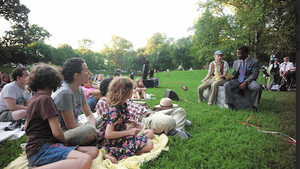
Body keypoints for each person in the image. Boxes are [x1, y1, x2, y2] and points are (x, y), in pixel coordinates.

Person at [24, 63, 99, 168]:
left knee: (93, 150)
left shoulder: (34, 98)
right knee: (85, 160)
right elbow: (57, 132)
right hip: (41, 150)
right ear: (53, 81)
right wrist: (65, 144)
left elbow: (25, 127)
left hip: (43, 147)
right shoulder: (46, 100)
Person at [96, 78, 191, 139]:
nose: (133, 91)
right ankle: (175, 127)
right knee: (169, 121)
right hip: (143, 119)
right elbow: (106, 123)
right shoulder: (104, 102)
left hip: (150, 112)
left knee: (180, 110)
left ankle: (176, 129)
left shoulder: (123, 101)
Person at [98, 77, 153, 164]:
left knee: (150, 132)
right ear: (125, 92)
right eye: (132, 89)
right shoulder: (114, 111)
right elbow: (108, 134)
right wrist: (129, 132)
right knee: (149, 143)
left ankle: (134, 150)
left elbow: (119, 120)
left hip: (121, 134)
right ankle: (112, 153)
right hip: (113, 141)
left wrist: (130, 121)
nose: (133, 91)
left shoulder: (122, 105)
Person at [51, 57, 101, 146]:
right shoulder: (65, 93)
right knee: (89, 130)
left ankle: (95, 137)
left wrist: (93, 128)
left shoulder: (79, 89)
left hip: (77, 127)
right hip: (65, 133)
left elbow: (89, 114)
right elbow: (71, 126)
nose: (89, 74)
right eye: (86, 71)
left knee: (104, 119)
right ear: (77, 75)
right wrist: (92, 130)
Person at [224, 46, 262, 112]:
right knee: (227, 85)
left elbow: (254, 74)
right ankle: (230, 104)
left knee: (257, 88)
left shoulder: (254, 62)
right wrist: (230, 77)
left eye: (239, 54)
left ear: (246, 53)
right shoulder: (236, 62)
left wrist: (245, 82)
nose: (238, 56)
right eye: (237, 54)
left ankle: (254, 106)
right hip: (238, 80)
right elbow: (234, 72)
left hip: (249, 81)